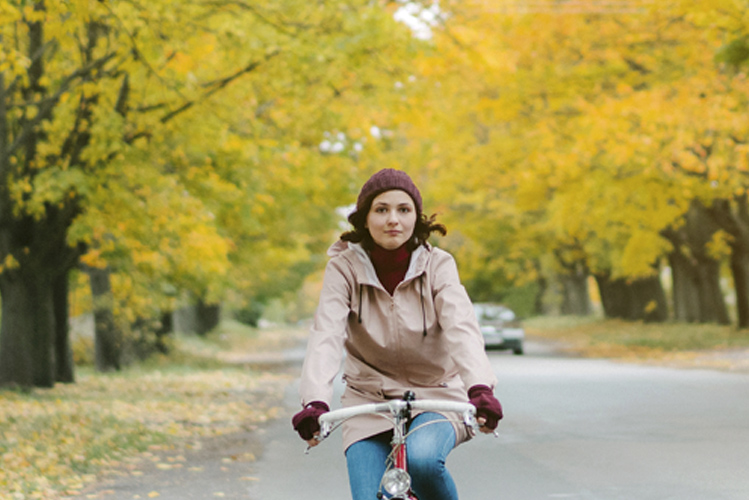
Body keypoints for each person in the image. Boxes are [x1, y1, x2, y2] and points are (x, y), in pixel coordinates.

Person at [292, 168, 502, 500]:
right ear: (365, 219)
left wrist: (479, 388)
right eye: (381, 209)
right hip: (368, 400)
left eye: (403, 210)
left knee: (421, 460)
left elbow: (461, 327)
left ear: (416, 218)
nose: (393, 220)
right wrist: (315, 402)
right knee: (367, 497)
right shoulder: (343, 269)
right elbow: (325, 335)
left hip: (437, 395)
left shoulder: (438, 265)